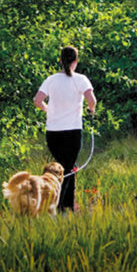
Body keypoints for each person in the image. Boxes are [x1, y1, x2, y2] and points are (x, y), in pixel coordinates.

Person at [33, 46, 96, 212]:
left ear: (60, 61)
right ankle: (60, 207)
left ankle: (65, 206)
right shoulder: (81, 79)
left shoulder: (51, 79)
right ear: (75, 61)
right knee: (67, 168)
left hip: (53, 132)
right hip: (72, 132)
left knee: (67, 166)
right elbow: (92, 100)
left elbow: (37, 100)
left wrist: (48, 110)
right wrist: (91, 110)